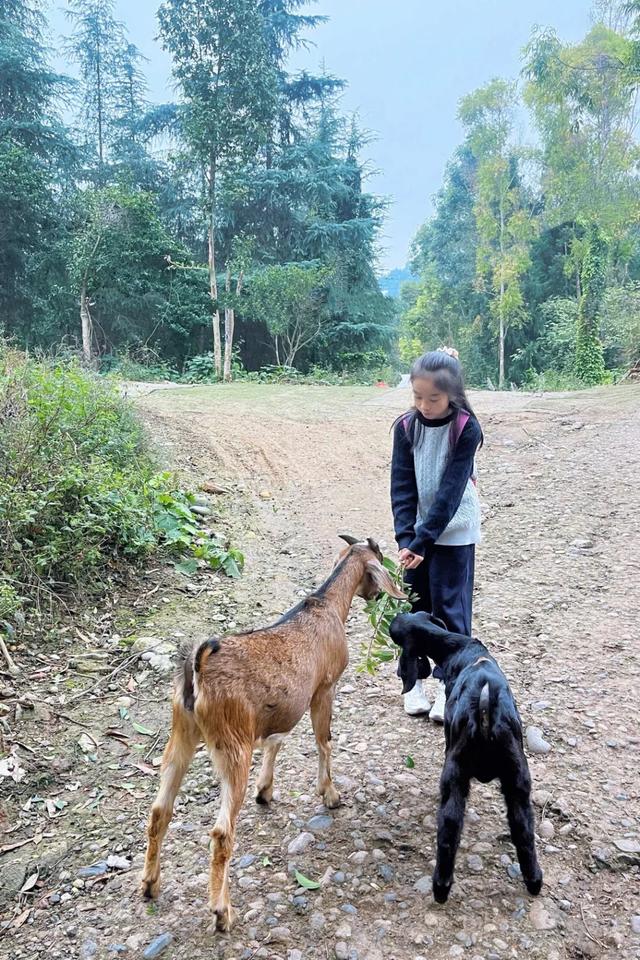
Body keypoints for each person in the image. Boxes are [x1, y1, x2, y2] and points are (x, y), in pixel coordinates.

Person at [390, 347, 483, 722]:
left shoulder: (466, 428)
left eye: (434, 398)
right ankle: (412, 684)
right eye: (417, 396)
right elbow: (402, 485)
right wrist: (405, 539)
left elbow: (449, 493)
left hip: (455, 533)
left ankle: (450, 685)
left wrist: (423, 541)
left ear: (452, 396)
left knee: (450, 613)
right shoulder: (405, 427)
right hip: (417, 539)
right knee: (413, 612)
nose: (424, 405)